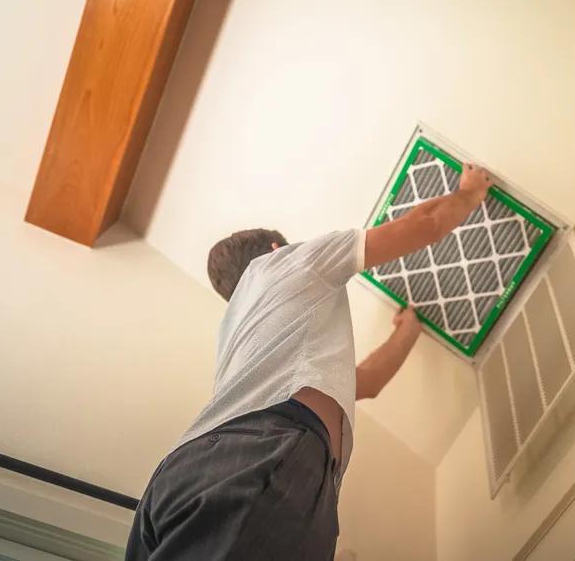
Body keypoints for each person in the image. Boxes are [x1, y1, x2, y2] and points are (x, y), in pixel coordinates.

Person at [125, 163, 494, 560]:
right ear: (275, 249)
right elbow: (425, 224)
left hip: (200, 473)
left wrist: (408, 330)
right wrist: (470, 193)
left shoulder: (253, 342)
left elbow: (366, 382)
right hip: (259, 454)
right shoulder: (284, 263)